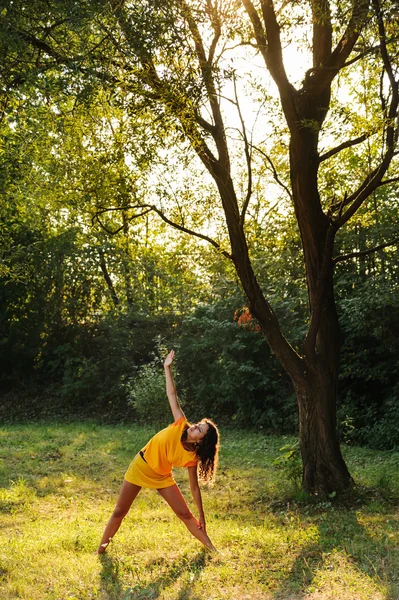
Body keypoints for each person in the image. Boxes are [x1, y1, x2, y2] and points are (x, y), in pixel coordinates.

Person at [97, 349, 220, 554]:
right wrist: (167, 368)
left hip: (162, 476)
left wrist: (202, 515)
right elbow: (172, 394)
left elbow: (194, 488)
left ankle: (214, 552)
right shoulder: (180, 423)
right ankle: (100, 551)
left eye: (199, 429)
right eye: (198, 424)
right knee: (119, 511)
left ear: (201, 441)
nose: (195, 426)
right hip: (141, 466)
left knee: (185, 515)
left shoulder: (191, 458)